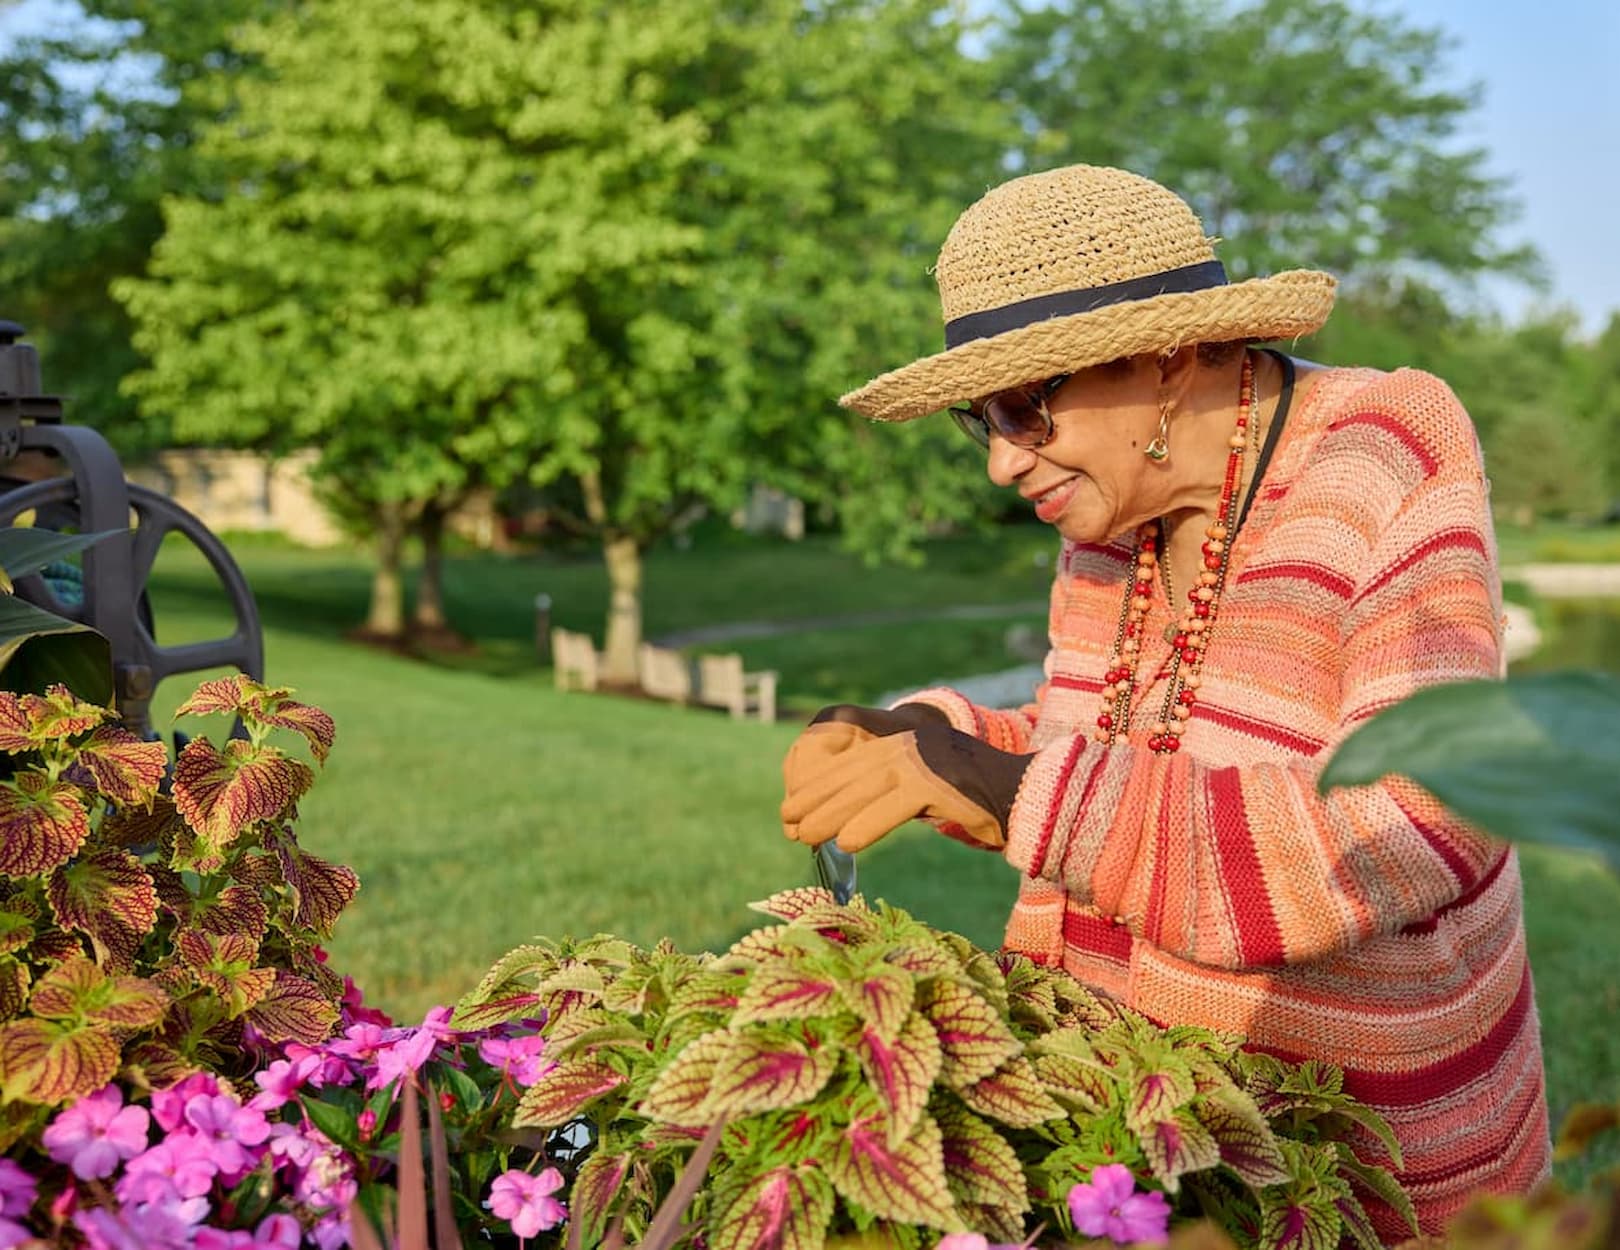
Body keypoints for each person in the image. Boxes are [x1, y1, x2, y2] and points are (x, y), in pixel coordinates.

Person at [779, 164, 1548, 1240]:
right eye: (979, 419)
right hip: (1143, 1125)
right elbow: (1090, 747)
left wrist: (1002, 787)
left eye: (1022, 407)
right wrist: (933, 733)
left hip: (1363, 1156)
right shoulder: (1108, 519)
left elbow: (1423, 815)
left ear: (1169, 359)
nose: (1001, 462)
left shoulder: (1385, 445)